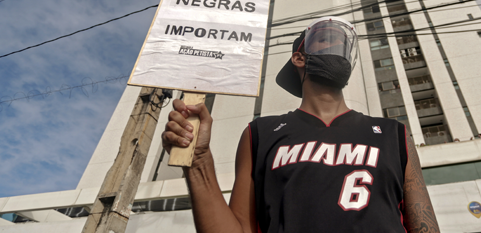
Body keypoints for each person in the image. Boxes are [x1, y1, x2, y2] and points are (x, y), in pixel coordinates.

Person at [162, 17, 440, 233]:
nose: (337, 48)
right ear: (299, 57)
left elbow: (425, 225)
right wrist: (198, 162)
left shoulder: (394, 133)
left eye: (342, 43)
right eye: (326, 41)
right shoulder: (259, 134)